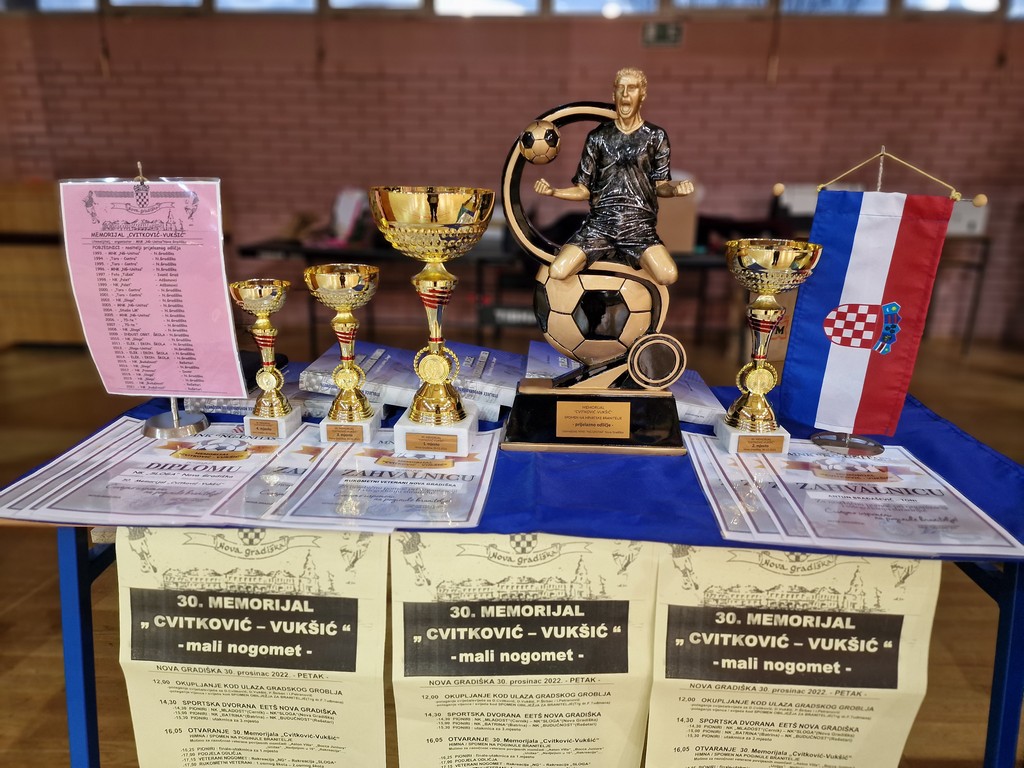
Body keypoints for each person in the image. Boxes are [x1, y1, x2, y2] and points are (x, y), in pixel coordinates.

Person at [535, 67, 694, 286]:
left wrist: (675, 190)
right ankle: (592, 293)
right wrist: (553, 192)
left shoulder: (655, 136)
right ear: (614, 95)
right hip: (600, 225)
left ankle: (632, 282)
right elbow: (583, 190)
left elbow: (661, 185)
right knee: (558, 271)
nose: (626, 94)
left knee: (667, 274)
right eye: (621, 88)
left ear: (642, 94)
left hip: (638, 227)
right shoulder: (598, 137)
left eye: (632, 88)